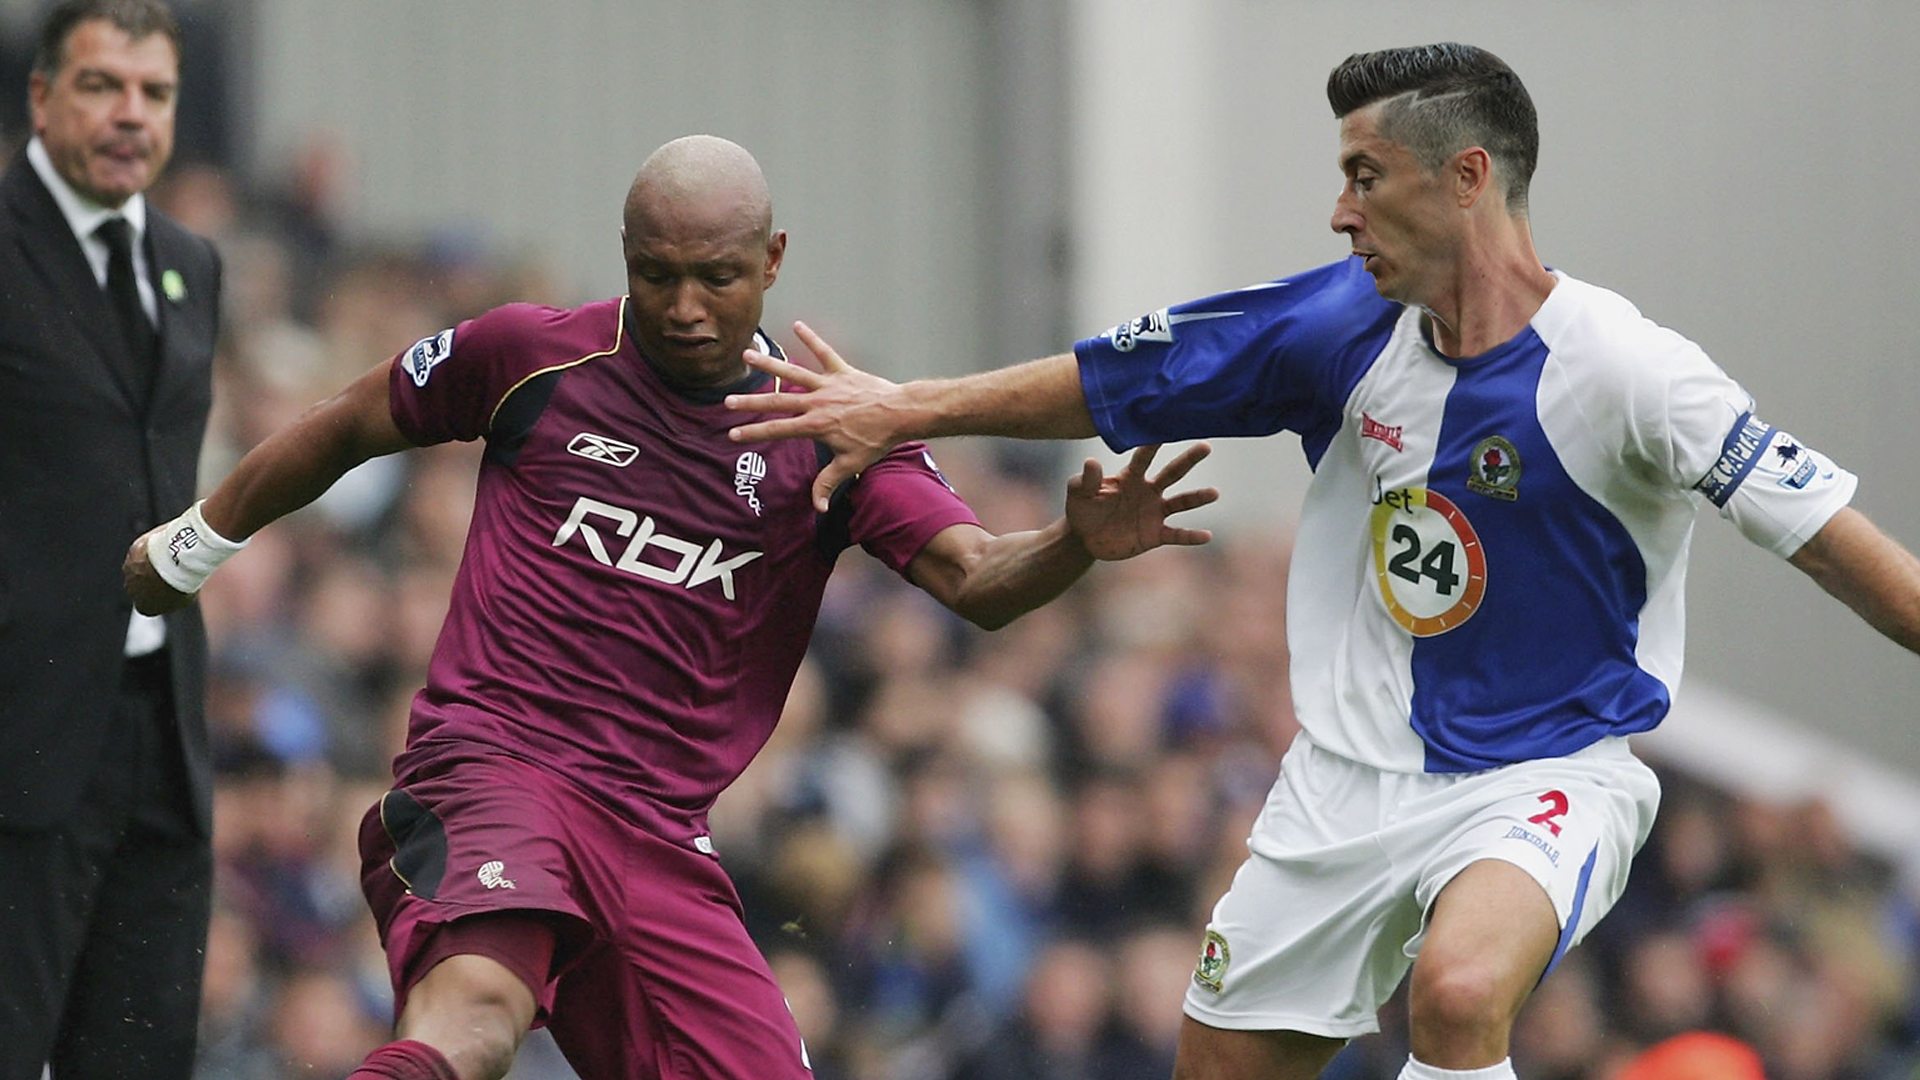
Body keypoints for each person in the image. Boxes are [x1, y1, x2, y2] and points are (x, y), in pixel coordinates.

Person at [723, 43, 1920, 1080]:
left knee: (1457, 994)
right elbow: (1113, 378)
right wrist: (908, 405)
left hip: (1550, 771)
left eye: (1364, 176)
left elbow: (1836, 548)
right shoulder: (1336, 326)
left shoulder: (1634, 372)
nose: (1339, 212)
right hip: (1342, 785)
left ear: (1468, 178)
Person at [125, 134, 1215, 1080]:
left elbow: (976, 580)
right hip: (497, 770)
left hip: (656, 834)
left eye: (718, 276)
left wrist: (1075, 541)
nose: (686, 307)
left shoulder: (827, 427)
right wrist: (196, 538)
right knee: (476, 1020)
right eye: (657, 275)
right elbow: (351, 421)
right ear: (624, 258)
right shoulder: (532, 356)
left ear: (773, 261)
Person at [0, 2, 221, 1076]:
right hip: (19, 729)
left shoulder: (191, 263)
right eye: (102, 86)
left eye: (156, 92)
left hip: (160, 732)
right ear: (40, 96)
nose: (132, 114)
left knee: (140, 1052)